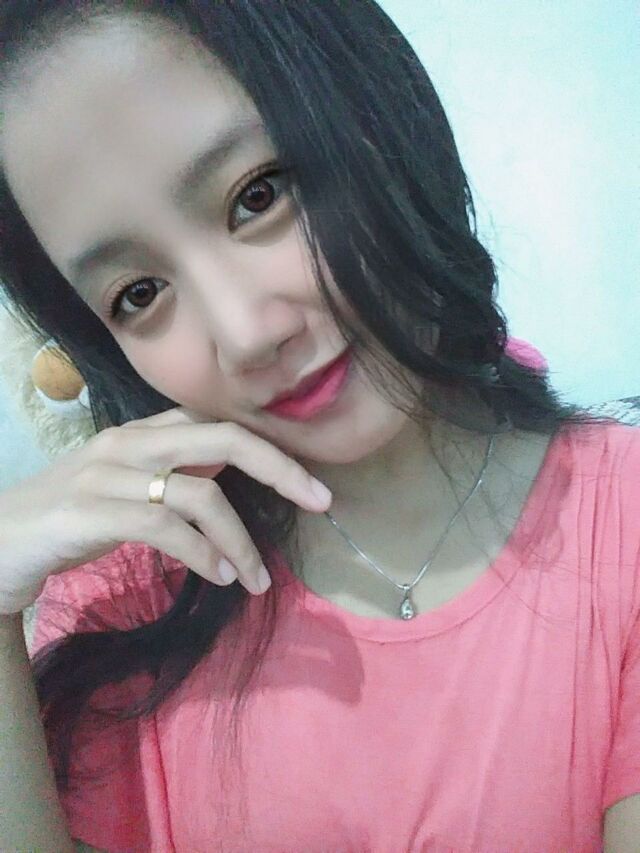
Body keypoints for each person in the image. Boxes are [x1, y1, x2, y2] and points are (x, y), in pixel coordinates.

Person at [0, 2, 637, 850]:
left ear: (375, 117)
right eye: (138, 294)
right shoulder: (123, 597)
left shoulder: (622, 523)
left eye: (256, 196)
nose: (246, 333)